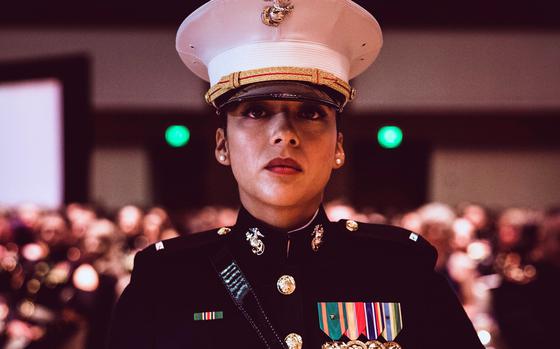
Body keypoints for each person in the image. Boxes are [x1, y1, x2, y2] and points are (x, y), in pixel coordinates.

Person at [107, 1, 483, 348]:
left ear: (338, 147)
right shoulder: (166, 281)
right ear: (222, 146)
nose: (284, 133)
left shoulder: (401, 271)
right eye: (255, 111)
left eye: (310, 113)